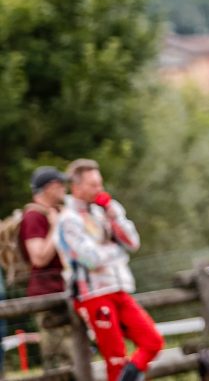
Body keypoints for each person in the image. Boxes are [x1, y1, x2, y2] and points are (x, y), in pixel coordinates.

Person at [56, 159, 163, 381]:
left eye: (100, 183)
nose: (99, 189)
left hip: (119, 287)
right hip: (93, 295)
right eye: (93, 185)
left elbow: (132, 242)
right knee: (115, 358)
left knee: (152, 341)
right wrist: (116, 251)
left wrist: (113, 214)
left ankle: (130, 375)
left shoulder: (104, 211)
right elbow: (90, 259)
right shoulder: (68, 220)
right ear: (77, 187)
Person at [18, 167, 72, 369]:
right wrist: (56, 227)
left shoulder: (56, 213)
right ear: (48, 188)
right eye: (60, 185)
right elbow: (39, 258)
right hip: (47, 294)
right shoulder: (34, 216)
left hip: (64, 289)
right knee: (59, 358)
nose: (64, 189)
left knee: (75, 353)